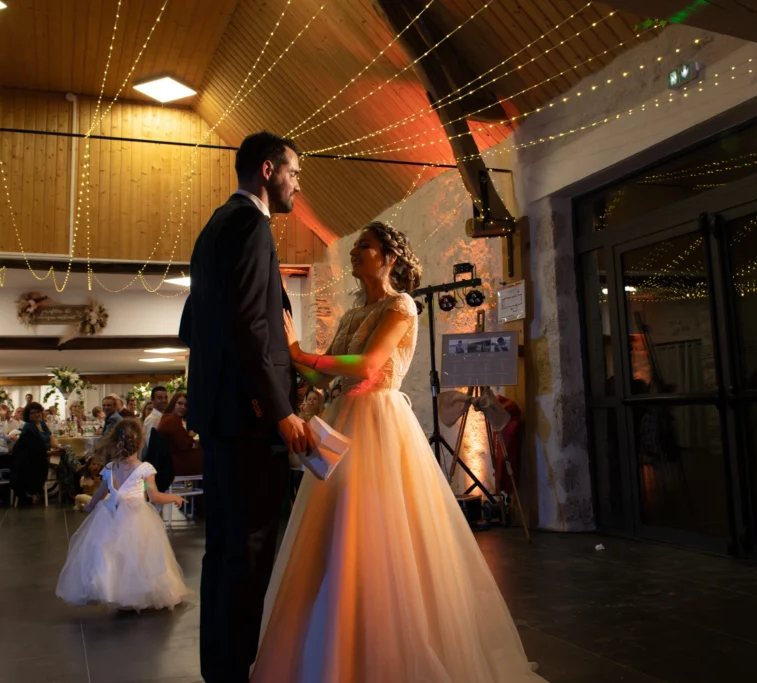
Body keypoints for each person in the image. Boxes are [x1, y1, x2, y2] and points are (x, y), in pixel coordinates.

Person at [250, 222, 545, 682]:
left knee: (381, 536)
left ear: (389, 257)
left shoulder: (402, 305)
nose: (354, 254)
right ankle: (335, 648)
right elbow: (324, 379)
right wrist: (293, 366)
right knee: (336, 538)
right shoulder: (350, 316)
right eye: (354, 248)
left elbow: (368, 367)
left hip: (381, 425)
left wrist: (301, 352)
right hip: (343, 422)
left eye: (363, 247)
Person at [180, 130, 314, 683]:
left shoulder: (213, 228)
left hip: (219, 416)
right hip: (247, 419)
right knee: (252, 553)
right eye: (294, 173)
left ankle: (221, 669)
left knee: (225, 553)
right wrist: (277, 406)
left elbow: (194, 323)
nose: (297, 185)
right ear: (267, 170)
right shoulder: (252, 226)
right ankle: (238, 671)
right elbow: (252, 327)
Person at [56, 418, 190, 610]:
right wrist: (175, 499)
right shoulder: (145, 469)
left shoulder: (110, 468)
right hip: (137, 518)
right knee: (140, 555)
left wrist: (89, 507)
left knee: (111, 554)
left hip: (109, 514)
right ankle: (139, 591)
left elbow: (101, 492)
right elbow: (154, 496)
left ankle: (114, 590)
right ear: (141, 443)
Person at [157, 391, 201, 477]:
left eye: (185, 405)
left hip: (171, 460)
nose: (183, 407)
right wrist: (191, 436)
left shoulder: (168, 418)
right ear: (173, 403)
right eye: (180, 404)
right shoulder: (171, 420)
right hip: (174, 463)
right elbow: (186, 444)